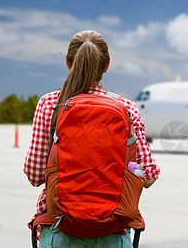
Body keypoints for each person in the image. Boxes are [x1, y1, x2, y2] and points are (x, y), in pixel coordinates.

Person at [24, 30, 160, 247]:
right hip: (113, 229)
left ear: (69, 63)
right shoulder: (126, 108)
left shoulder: (49, 104)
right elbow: (149, 177)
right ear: (106, 66)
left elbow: (34, 175)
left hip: (59, 227)